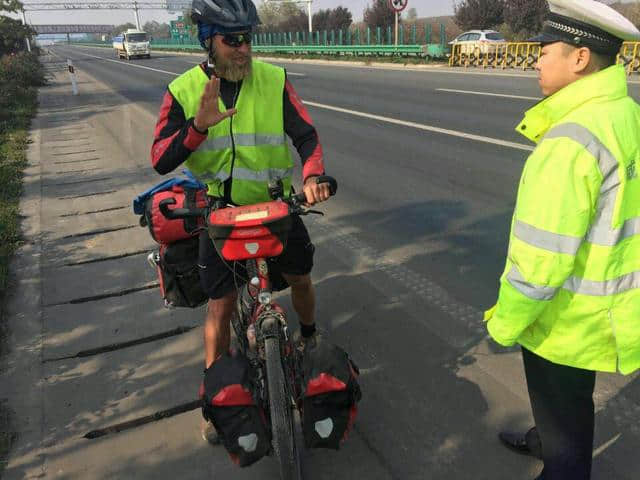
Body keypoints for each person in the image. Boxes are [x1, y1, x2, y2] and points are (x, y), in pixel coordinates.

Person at [150, 0, 330, 444]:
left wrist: (311, 176)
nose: (244, 48)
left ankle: (308, 337)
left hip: (276, 209)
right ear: (208, 40)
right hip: (219, 214)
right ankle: (216, 398)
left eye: (249, 37)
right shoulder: (183, 89)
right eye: (233, 39)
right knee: (221, 306)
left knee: (302, 280)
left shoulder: (274, 80)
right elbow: (159, 159)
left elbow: (306, 137)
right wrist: (196, 127)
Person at [483, 0, 640, 478]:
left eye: (545, 50)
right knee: (568, 403)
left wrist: (505, 325)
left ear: (579, 59)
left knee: (564, 430)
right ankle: (547, 437)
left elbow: (540, 261)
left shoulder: (571, 140)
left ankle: (561, 460)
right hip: (611, 306)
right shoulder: (625, 111)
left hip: (567, 321)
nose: (535, 59)